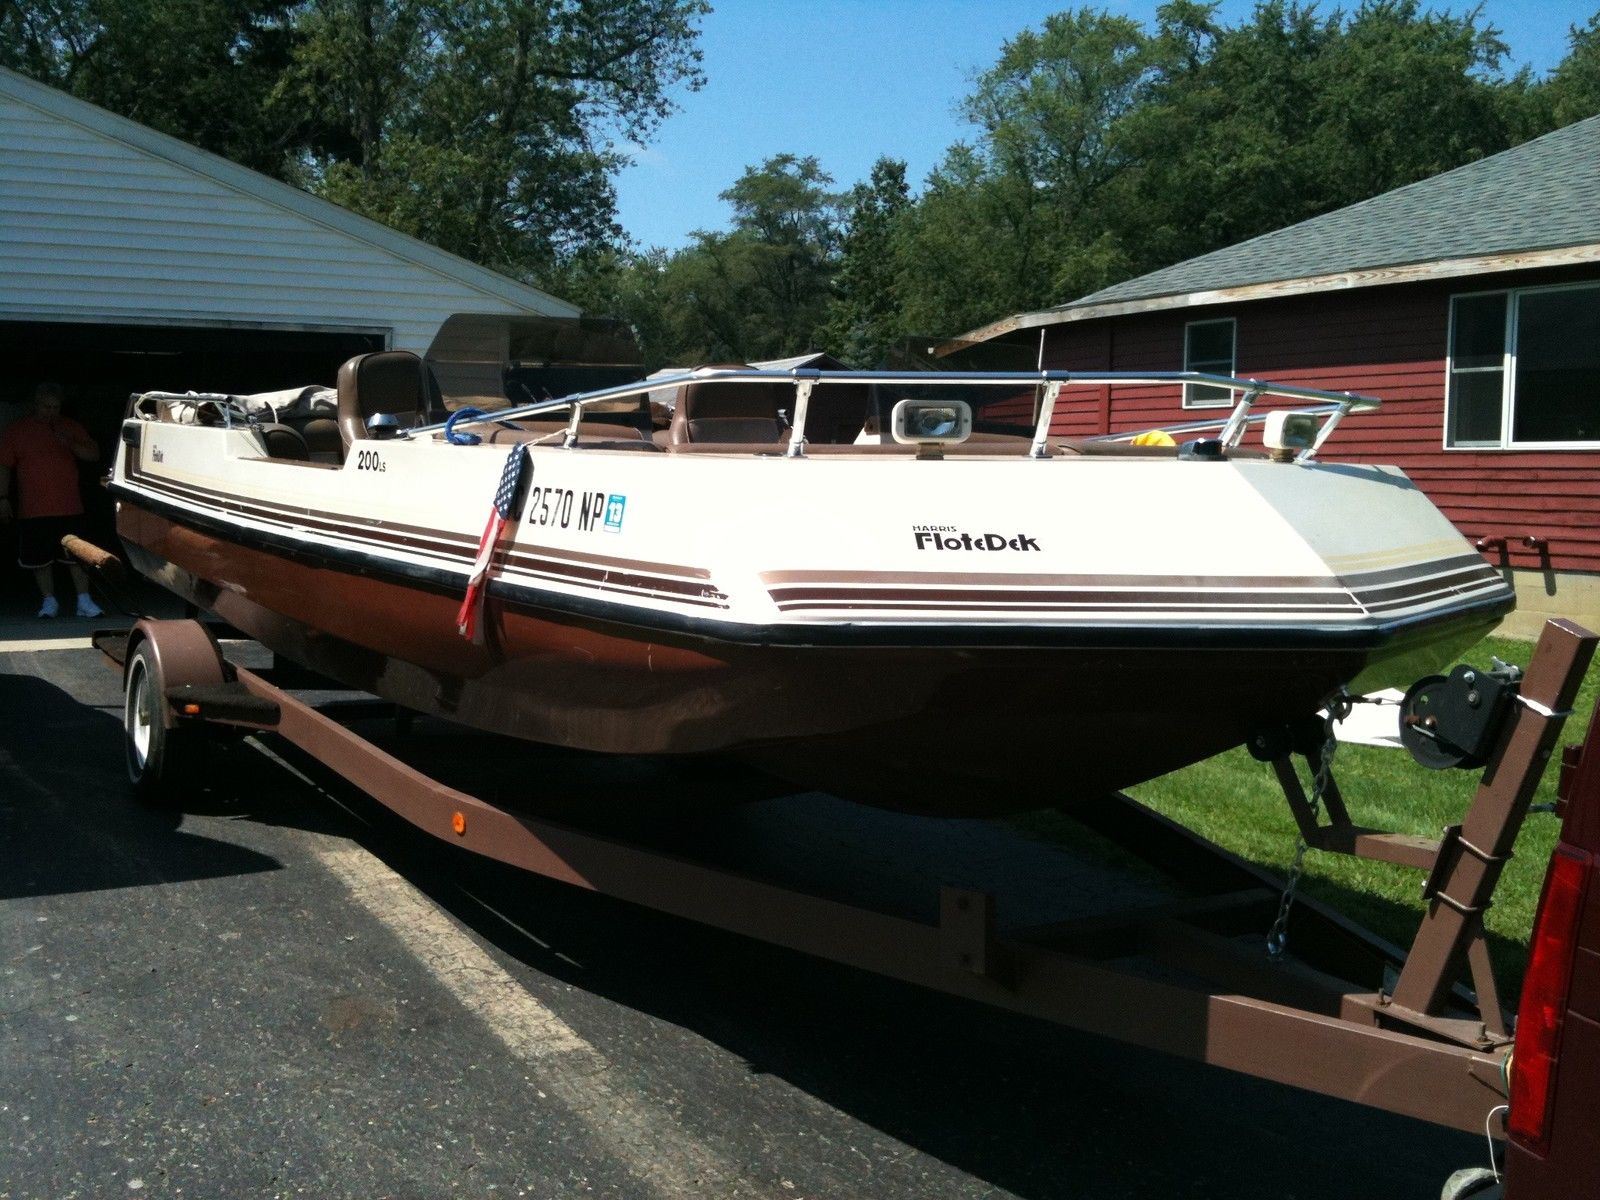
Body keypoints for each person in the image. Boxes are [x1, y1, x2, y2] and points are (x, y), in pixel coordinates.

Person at [0, 383, 104, 618]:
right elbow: (4, 466)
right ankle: (49, 602)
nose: (51, 412)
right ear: (35, 404)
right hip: (34, 508)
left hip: (69, 506)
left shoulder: (70, 426)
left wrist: (70, 442)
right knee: (39, 559)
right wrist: (2, 497)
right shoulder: (16, 430)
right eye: (46, 407)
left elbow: (94, 455)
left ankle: (84, 601)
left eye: (55, 407)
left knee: (77, 555)